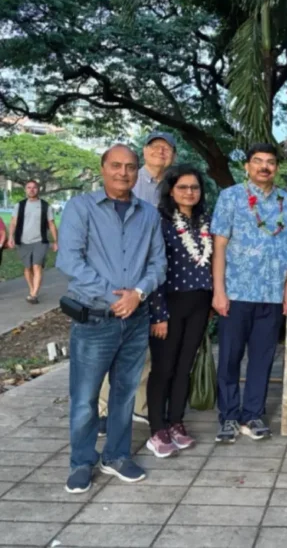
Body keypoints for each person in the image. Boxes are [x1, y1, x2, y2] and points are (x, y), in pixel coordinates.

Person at [57, 144, 166, 493]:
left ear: (137, 172)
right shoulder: (80, 208)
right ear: (103, 168)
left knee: (124, 395)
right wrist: (112, 296)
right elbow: (69, 261)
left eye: (130, 167)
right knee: (86, 398)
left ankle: (117, 456)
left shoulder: (148, 214)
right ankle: (81, 462)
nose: (124, 172)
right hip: (94, 321)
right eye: (116, 166)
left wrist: (138, 294)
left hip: (135, 319)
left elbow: (158, 265)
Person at [211, 143, 287, 443]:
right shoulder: (230, 198)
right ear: (247, 166)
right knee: (229, 358)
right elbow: (220, 246)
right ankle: (228, 416)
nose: (264, 166)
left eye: (270, 162)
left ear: (276, 167)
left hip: (271, 296)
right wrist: (219, 292)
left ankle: (252, 414)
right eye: (257, 161)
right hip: (236, 293)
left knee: (262, 359)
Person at [97, 130, 178, 435]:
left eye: (167, 148)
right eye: (155, 146)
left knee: (147, 343)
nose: (161, 152)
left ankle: (139, 406)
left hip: (160, 272)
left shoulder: (172, 185)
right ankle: (105, 409)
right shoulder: (130, 180)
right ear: (143, 152)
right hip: (126, 274)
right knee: (115, 343)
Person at [145, 165, 213, 458]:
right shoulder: (159, 222)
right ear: (171, 190)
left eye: (195, 187)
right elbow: (154, 269)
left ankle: (176, 422)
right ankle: (157, 428)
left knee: (184, 366)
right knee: (164, 368)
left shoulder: (205, 221)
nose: (189, 192)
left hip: (199, 303)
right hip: (169, 303)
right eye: (183, 187)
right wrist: (158, 314)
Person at [8, 180, 58, 304]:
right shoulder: (19, 205)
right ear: (25, 190)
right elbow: (13, 222)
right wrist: (10, 237)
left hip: (40, 241)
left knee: (37, 266)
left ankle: (34, 294)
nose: (31, 190)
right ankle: (32, 290)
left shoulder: (45, 206)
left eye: (34, 187)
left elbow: (51, 224)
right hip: (23, 241)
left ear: (38, 189)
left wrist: (56, 241)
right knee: (27, 268)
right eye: (29, 187)